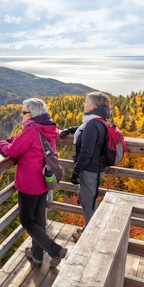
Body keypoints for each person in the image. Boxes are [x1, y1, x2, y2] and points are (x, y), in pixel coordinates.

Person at [0, 98, 67, 267]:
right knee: (39, 218)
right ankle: (37, 254)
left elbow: (13, 152)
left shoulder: (31, 130)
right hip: (44, 180)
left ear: (32, 114)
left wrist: (1, 144)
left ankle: (55, 250)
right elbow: (30, 145)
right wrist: (15, 140)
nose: (21, 114)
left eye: (24, 112)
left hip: (30, 183)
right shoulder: (48, 128)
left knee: (27, 221)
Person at [60, 92, 111, 242]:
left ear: (94, 105)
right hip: (96, 167)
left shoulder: (93, 124)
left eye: (86, 102)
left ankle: (89, 236)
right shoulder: (99, 121)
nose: (84, 104)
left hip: (90, 169)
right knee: (85, 197)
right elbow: (87, 132)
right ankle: (89, 228)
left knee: (88, 202)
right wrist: (71, 130)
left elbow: (86, 151)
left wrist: (76, 171)